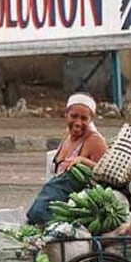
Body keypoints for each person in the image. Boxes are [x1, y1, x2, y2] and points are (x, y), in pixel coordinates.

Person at [26, 92, 107, 225]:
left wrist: (83, 160)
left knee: (37, 214)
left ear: (91, 120)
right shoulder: (68, 137)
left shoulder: (95, 141)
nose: (78, 123)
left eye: (84, 118)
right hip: (55, 204)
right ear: (66, 114)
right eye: (74, 116)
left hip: (77, 210)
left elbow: (106, 176)